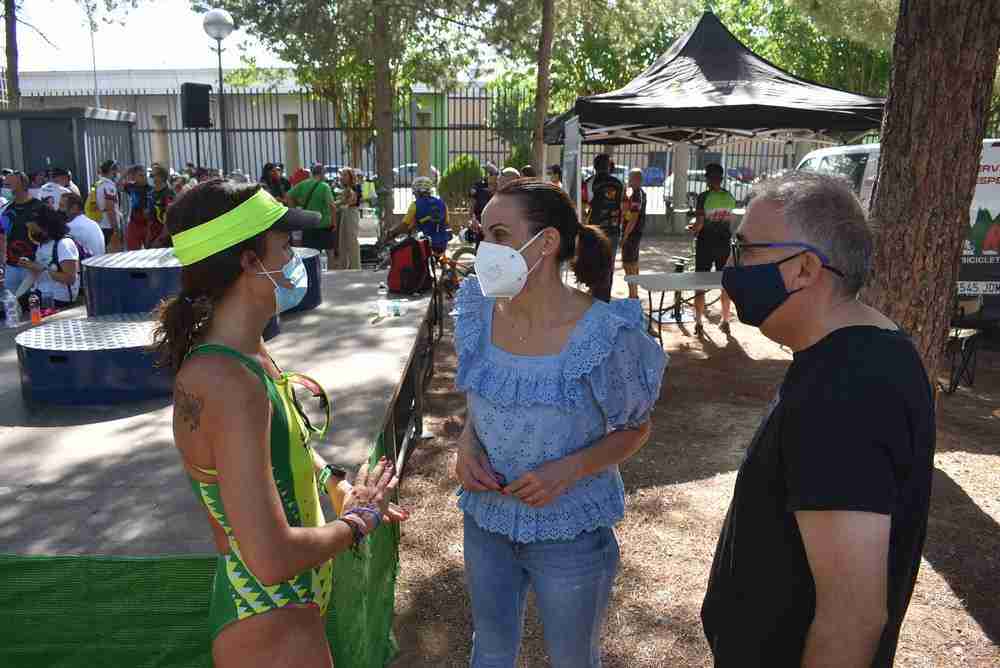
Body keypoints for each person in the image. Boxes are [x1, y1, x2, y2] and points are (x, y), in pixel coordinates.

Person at [151, 180, 410, 667]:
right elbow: (270, 559)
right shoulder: (228, 381)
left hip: (288, 612)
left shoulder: (247, 353)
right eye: (285, 245)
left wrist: (338, 489)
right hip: (269, 624)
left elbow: (287, 450)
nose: (295, 256)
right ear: (249, 262)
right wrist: (359, 523)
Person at [701, 171, 935, 668]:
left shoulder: (846, 388)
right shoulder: (856, 351)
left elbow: (853, 616)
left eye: (746, 250)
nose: (731, 265)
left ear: (805, 268)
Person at [454, 178, 667, 668]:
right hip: (487, 520)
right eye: (482, 235)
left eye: (501, 235)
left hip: (571, 534)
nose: (486, 249)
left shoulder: (606, 332)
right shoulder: (475, 312)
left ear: (546, 242)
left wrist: (566, 471)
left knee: (573, 660)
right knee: (488, 650)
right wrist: (467, 446)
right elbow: (479, 405)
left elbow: (635, 429)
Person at [688, 163, 735, 336]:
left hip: (705, 245)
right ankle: (725, 320)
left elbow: (699, 224)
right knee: (725, 283)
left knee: (700, 283)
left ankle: (699, 322)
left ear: (708, 179)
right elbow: (729, 221)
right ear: (721, 178)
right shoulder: (730, 196)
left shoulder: (703, 197)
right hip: (724, 244)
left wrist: (692, 228)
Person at [581, 154, 625, 302]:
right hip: (613, 230)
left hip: (595, 231)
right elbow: (624, 207)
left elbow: (583, 206)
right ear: (608, 166)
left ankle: (593, 298)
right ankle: (604, 299)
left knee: (593, 263)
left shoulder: (589, 182)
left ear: (594, 166)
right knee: (608, 266)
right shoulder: (619, 183)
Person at [18, 205, 80, 308]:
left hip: (57, 298)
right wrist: (30, 265)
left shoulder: (63, 244)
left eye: (34, 230)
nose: (32, 234)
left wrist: (42, 269)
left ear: (45, 227)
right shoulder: (43, 243)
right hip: (40, 292)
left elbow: (70, 279)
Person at [1, 171, 47, 295]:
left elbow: (51, 236)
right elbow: (2, 236)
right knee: (10, 305)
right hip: (11, 266)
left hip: (33, 266)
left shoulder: (40, 207)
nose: (5, 188)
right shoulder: (6, 210)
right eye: (4, 185)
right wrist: (3, 261)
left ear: (22, 185)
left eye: (8, 185)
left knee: (31, 306)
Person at [288, 163, 337, 269]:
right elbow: (332, 206)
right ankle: (332, 271)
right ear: (322, 173)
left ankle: (312, 272)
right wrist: (334, 223)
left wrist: (295, 208)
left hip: (308, 224)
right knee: (330, 251)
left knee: (310, 253)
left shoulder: (303, 184)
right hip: (324, 224)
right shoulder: (324, 186)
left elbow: (289, 196)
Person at [387, 175, 450, 256]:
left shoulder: (415, 205)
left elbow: (404, 225)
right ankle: (445, 266)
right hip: (442, 243)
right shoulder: (442, 203)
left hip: (425, 245)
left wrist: (392, 233)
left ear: (416, 192)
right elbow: (446, 222)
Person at [621, 168, 648, 300]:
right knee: (633, 263)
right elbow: (628, 211)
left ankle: (633, 295)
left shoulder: (638, 194)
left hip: (632, 234)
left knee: (629, 264)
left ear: (637, 179)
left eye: (631, 177)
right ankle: (633, 293)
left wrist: (625, 235)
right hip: (634, 233)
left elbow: (634, 217)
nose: (629, 180)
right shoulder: (636, 193)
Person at [62, 192, 106, 259]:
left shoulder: (72, 227)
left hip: (89, 267)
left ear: (74, 208)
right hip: (99, 264)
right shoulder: (90, 222)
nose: (58, 209)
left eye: (61, 206)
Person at [334, 168, 362, 270]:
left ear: (350, 176)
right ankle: (343, 265)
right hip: (344, 213)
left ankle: (355, 266)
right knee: (342, 240)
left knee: (352, 239)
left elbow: (352, 201)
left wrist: (339, 203)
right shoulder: (344, 188)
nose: (342, 177)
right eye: (342, 175)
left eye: (344, 175)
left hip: (351, 213)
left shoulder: (355, 187)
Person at [124, 164, 156, 251]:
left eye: (145, 175)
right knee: (132, 251)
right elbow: (118, 185)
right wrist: (126, 172)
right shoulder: (131, 187)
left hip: (148, 223)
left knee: (151, 251)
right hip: (134, 223)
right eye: (141, 175)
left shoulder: (151, 189)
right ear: (134, 177)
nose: (144, 178)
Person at [94, 160, 122, 249]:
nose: (118, 173)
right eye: (117, 170)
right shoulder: (109, 186)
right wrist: (116, 229)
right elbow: (110, 208)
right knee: (112, 254)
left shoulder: (97, 184)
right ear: (111, 171)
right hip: (108, 225)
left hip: (99, 222)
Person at [468, 164, 497, 249]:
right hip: (480, 221)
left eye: (492, 174)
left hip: (493, 222)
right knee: (480, 247)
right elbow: (472, 201)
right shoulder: (479, 185)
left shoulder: (500, 186)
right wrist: (472, 217)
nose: (490, 175)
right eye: (489, 173)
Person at [149, 165, 174, 247]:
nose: (152, 178)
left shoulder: (169, 194)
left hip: (164, 236)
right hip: (152, 233)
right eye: (151, 175)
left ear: (162, 177)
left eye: (154, 175)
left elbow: (169, 217)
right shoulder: (151, 193)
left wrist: (161, 239)